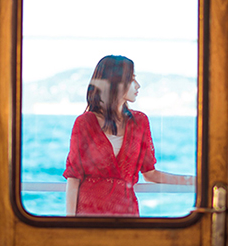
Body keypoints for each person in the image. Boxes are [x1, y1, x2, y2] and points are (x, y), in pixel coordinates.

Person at [64, 55, 195, 216]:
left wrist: (193, 181)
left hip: (126, 216)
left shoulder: (140, 122)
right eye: (132, 79)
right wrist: (69, 223)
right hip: (89, 216)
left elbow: (150, 174)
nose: (138, 85)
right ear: (116, 83)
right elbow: (74, 177)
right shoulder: (85, 123)